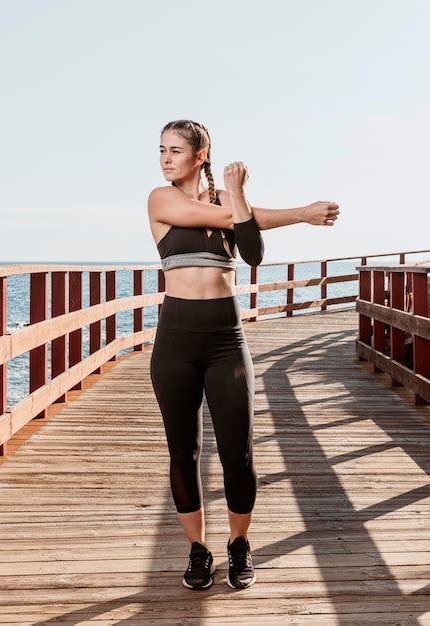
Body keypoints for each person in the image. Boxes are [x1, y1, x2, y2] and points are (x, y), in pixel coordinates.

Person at [148, 119, 339, 591]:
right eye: (162, 150)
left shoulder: (231, 205)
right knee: (183, 451)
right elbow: (229, 221)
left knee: (238, 452)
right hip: (175, 344)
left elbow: (251, 251)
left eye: (175, 150)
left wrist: (237, 196)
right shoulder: (161, 199)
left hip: (225, 344)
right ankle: (197, 549)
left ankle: (238, 545)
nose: (166, 158)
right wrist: (300, 212)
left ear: (201, 155)